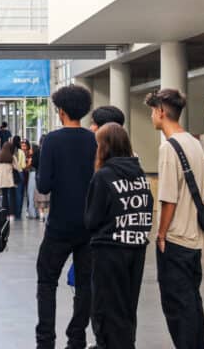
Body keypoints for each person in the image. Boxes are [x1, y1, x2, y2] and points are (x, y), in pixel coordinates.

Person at [35, 85, 97, 349]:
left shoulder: (52, 140)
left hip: (60, 224)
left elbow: (44, 185)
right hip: (90, 224)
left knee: (47, 281)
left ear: (60, 111)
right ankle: (77, 337)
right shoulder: (95, 140)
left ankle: (46, 340)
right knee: (85, 284)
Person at [145, 88, 204, 349]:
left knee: (176, 307)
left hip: (176, 239)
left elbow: (168, 198)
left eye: (152, 111)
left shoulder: (169, 148)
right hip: (194, 239)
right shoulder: (194, 143)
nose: (151, 116)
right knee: (192, 302)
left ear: (161, 111)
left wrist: (160, 234)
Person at [85, 122, 153, 349]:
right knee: (127, 306)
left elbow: (92, 219)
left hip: (109, 251)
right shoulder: (141, 175)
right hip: (136, 249)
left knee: (105, 308)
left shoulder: (103, 176)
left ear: (104, 147)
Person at [0, 139, 19, 221]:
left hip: (2, 181)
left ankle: (5, 215)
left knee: (4, 197)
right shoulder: (12, 157)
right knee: (12, 197)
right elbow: (17, 168)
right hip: (11, 181)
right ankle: (12, 215)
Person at [32, 142, 49, 222]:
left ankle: (41, 215)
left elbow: (33, 163)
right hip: (50, 174)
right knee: (49, 196)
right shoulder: (50, 150)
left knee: (39, 195)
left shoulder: (37, 152)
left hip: (39, 174)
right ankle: (48, 215)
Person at [11, 135, 27, 220]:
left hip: (11, 174)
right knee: (19, 194)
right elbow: (24, 166)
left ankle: (12, 213)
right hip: (20, 173)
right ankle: (18, 214)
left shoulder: (10, 151)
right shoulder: (20, 152)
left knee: (12, 194)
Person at [23, 140, 39, 219]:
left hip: (32, 175)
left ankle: (32, 213)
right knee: (35, 195)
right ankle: (36, 212)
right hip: (36, 176)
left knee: (31, 194)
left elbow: (26, 168)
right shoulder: (38, 157)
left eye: (31, 149)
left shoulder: (32, 159)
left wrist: (27, 164)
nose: (29, 150)